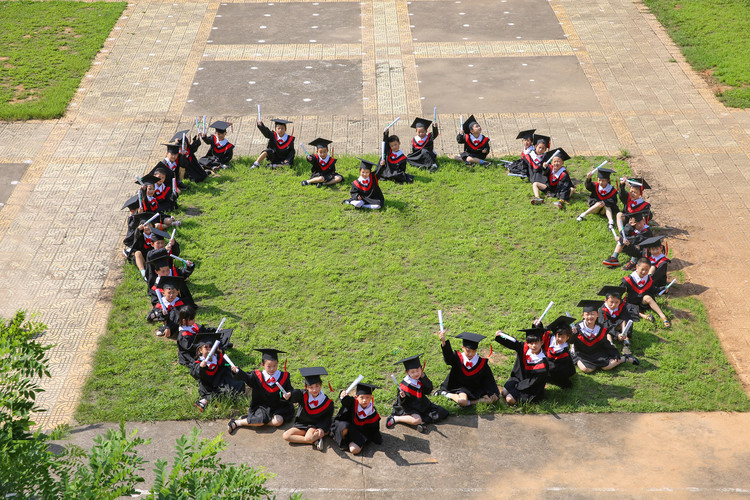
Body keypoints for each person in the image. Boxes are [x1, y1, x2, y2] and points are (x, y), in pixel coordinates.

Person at [227, 348, 295, 433]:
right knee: (262, 419)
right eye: (269, 366)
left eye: (274, 366)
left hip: (279, 406)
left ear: (277, 363)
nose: (272, 369)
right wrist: (238, 371)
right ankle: (237, 422)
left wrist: (289, 394)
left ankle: (255, 421)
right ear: (263, 365)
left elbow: (290, 389)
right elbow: (246, 377)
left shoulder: (283, 376)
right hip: (262, 406)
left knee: (278, 422)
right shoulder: (257, 376)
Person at [385, 354, 449, 434]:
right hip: (409, 407)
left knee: (442, 412)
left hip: (422, 404)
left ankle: (419, 424)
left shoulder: (421, 378)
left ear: (421, 369)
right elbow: (401, 403)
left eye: (418, 370)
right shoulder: (404, 385)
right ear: (407, 372)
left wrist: (424, 378)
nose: (416, 373)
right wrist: (402, 397)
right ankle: (396, 418)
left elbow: (428, 391)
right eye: (413, 372)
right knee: (417, 419)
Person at [435, 331, 500, 407]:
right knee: (462, 401)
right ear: (463, 348)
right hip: (461, 387)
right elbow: (448, 359)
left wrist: (493, 392)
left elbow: (488, 379)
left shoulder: (481, 363)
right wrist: (443, 342)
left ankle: (468, 403)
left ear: (476, 350)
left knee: (493, 399)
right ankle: (445, 394)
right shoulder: (457, 358)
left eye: (474, 351)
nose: (470, 354)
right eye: (468, 351)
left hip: (475, 388)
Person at [571, 300, 638, 373]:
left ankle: (624, 358)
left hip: (597, 352)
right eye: (587, 314)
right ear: (583, 315)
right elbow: (571, 341)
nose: (590, 317)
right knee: (586, 369)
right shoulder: (578, 327)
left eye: (593, 314)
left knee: (607, 367)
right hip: (582, 353)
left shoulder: (600, 328)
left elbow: (605, 343)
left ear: (598, 314)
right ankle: (590, 364)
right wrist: (573, 334)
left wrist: (614, 354)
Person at [282, 367, 335, 451]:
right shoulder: (303, 395)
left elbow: (327, 418)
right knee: (286, 436)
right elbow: (296, 393)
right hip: (302, 424)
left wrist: (322, 428)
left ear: (320, 385)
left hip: (314, 425)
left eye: (317, 386)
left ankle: (315, 436)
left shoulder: (327, 402)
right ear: (306, 387)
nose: (314, 390)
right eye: (311, 387)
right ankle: (314, 440)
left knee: (309, 437)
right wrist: (289, 395)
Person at [494, 328, 548, 404]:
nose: (534, 346)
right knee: (503, 392)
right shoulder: (524, 348)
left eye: (536, 343)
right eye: (531, 343)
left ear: (542, 342)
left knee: (509, 399)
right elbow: (513, 343)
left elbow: (533, 382)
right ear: (527, 343)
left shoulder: (543, 362)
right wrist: (500, 335)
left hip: (531, 387)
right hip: (518, 378)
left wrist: (517, 387)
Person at [190, 339, 244, 412]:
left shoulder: (218, 358)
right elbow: (195, 374)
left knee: (239, 384)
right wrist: (201, 367)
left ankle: (208, 401)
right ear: (200, 350)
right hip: (209, 386)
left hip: (221, 381)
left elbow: (225, 364)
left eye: (211, 348)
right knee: (219, 394)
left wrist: (231, 367)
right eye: (206, 348)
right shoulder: (198, 363)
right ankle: (204, 401)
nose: (209, 350)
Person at [330, 382, 382, 455]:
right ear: (356, 397)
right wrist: (342, 394)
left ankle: (354, 443)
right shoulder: (352, 403)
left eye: (367, 397)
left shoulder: (371, 410)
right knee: (344, 426)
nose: (365, 400)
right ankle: (343, 440)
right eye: (362, 397)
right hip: (347, 429)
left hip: (358, 434)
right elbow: (345, 400)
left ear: (371, 397)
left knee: (354, 450)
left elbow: (373, 428)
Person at [622, 258, 671, 327]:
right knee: (623, 307)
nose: (644, 272)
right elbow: (619, 293)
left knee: (648, 297)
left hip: (641, 302)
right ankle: (644, 316)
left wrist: (663, 289)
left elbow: (653, 290)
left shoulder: (648, 279)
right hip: (630, 303)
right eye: (642, 269)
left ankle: (663, 316)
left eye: (647, 270)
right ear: (637, 267)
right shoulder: (628, 280)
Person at [597, 285, 639, 355]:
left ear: (620, 301)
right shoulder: (602, 310)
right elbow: (605, 325)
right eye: (611, 302)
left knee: (624, 322)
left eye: (617, 302)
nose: (614, 305)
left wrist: (623, 333)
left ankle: (626, 344)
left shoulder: (623, 307)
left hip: (620, 327)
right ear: (606, 300)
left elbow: (625, 319)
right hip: (608, 328)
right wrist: (616, 335)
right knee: (606, 331)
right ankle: (611, 345)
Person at [540, 315, 576, 388]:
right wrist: (538, 325)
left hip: (558, 370)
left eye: (563, 337)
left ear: (567, 337)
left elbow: (564, 369)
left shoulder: (564, 351)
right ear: (555, 335)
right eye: (558, 336)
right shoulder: (549, 340)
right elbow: (540, 335)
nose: (560, 339)